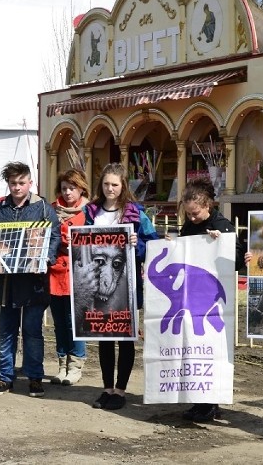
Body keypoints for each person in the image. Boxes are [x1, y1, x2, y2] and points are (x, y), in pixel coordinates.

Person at [84, 162, 159, 411]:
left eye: (114, 184)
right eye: (106, 184)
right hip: (98, 284)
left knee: (125, 337)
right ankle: (106, 388)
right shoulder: (91, 211)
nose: (110, 189)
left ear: (123, 185)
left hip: (127, 284)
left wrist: (137, 243)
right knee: (104, 337)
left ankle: (120, 390)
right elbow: (80, 243)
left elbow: (154, 244)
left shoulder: (136, 213)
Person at [0, 162, 61, 398]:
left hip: (33, 283)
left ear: (30, 183)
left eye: (21, 182)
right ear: (8, 184)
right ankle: (5, 377)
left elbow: (55, 236)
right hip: (5, 283)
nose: (17, 187)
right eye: (12, 183)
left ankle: (35, 377)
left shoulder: (43, 209)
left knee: (32, 332)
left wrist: (46, 257)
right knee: (6, 332)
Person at [175, 177, 246, 422]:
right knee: (193, 349)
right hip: (191, 297)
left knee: (210, 350)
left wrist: (221, 245)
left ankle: (210, 402)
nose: (192, 218)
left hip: (213, 301)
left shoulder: (222, 225)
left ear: (208, 205)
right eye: (188, 214)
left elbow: (237, 261)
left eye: (195, 213)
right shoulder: (188, 225)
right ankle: (198, 400)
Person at [48, 169, 90, 386]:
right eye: (64, 188)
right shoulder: (52, 210)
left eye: (72, 188)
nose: (67, 192)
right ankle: (62, 363)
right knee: (58, 321)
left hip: (79, 271)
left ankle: (76, 365)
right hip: (55, 271)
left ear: (81, 187)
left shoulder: (89, 212)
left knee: (75, 321)